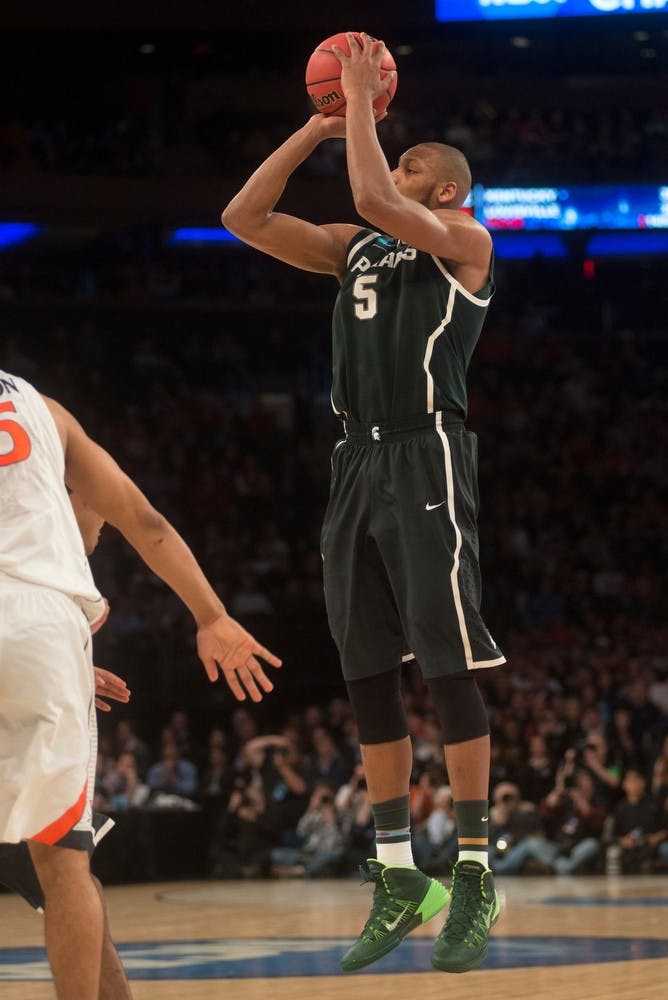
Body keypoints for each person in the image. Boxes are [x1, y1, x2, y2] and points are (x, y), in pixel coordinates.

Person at [223, 32, 503, 975]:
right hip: (356, 464)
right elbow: (244, 214)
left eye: (413, 157)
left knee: (447, 662)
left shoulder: (466, 243)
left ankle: (472, 865)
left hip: (427, 455)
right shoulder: (355, 251)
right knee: (366, 670)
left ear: (445, 191)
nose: (395, 152)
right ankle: (397, 872)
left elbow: (376, 193)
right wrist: (316, 125)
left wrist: (353, 95)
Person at [0, 370, 281, 999]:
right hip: (43, 631)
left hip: (42, 641)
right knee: (62, 861)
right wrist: (212, 616)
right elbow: (141, 518)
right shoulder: (43, 408)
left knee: (53, 871)